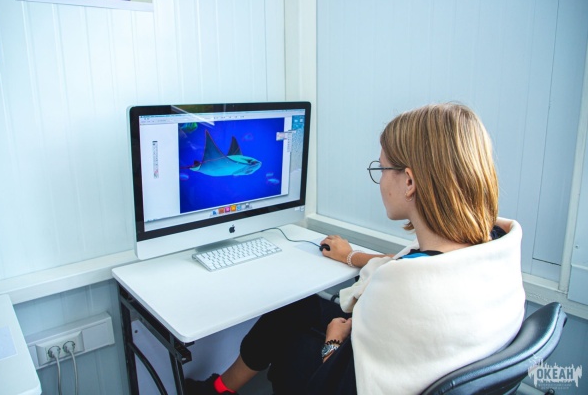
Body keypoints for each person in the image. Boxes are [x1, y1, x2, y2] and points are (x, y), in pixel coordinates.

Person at [185, 103, 526, 394]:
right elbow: (413, 265)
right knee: (295, 307)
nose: (380, 179)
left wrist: (334, 340)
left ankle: (219, 389)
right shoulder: (491, 245)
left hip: (343, 379)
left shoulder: (401, 291)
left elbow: (338, 381)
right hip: (431, 359)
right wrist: (351, 255)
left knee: (289, 343)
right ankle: (221, 388)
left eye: (382, 168)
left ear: (409, 182)